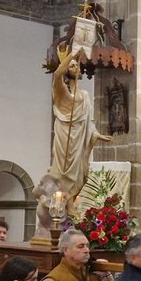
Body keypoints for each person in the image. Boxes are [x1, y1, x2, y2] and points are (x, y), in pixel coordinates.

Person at [48, 42, 114, 205]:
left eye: (77, 64)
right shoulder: (61, 90)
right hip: (65, 134)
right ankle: (61, 202)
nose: (76, 67)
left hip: (80, 136)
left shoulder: (84, 95)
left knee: (79, 171)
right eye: (71, 65)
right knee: (63, 171)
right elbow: (57, 75)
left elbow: (88, 120)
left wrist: (96, 134)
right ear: (66, 70)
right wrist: (75, 52)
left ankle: (70, 202)